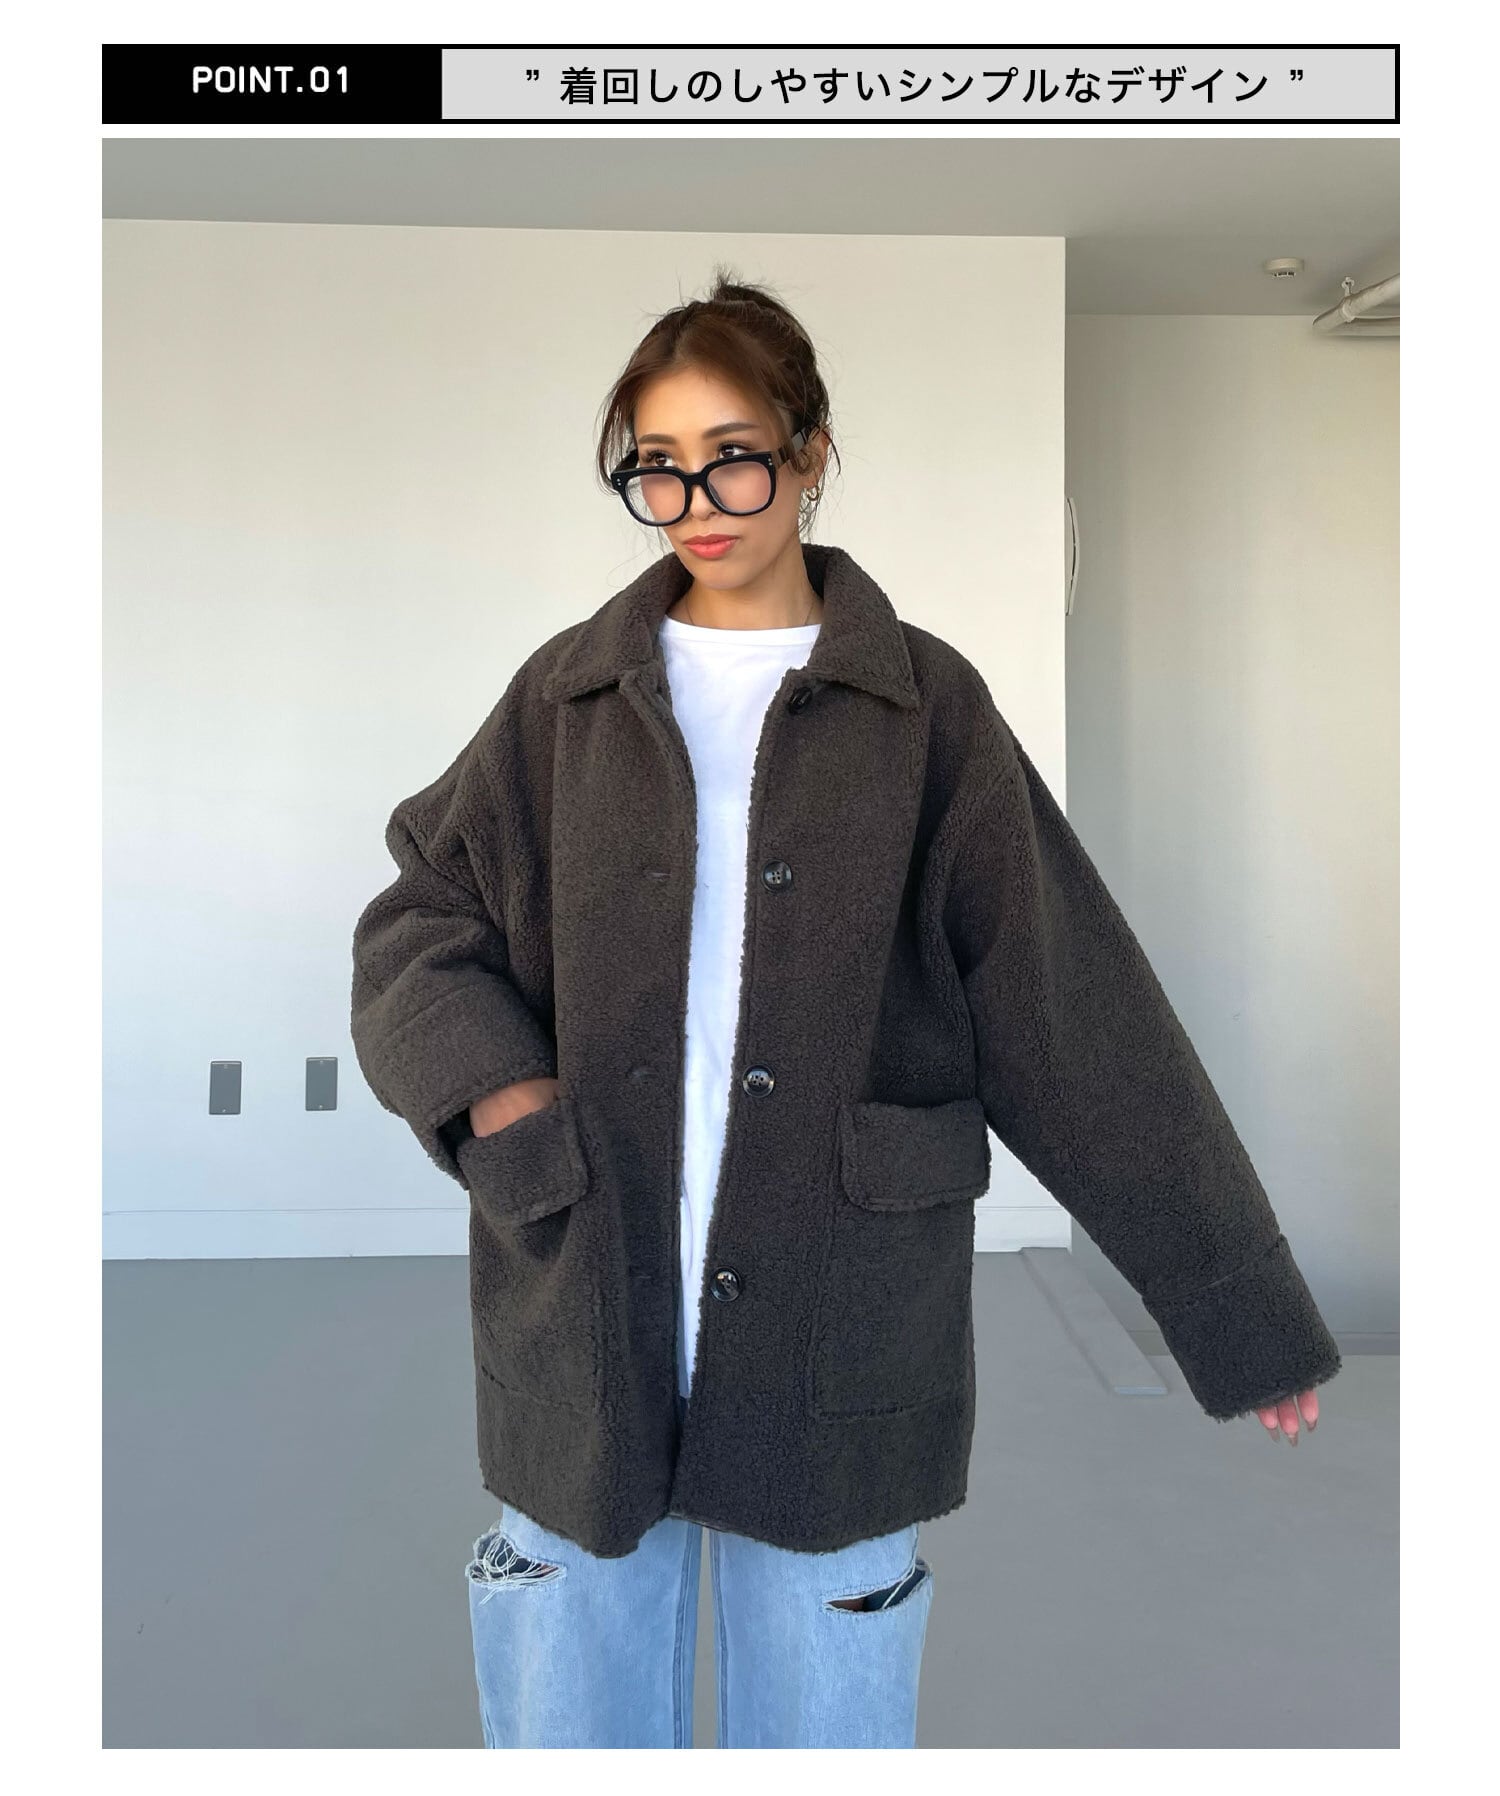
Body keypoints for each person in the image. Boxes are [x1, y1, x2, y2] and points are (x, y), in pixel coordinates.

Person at [350, 268, 1341, 1749]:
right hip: (589, 1275)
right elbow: (420, 914)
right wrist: (502, 1092)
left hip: (840, 1313)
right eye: (657, 465)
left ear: (811, 452)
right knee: (571, 1708)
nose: (697, 501)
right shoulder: (566, 696)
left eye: (734, 454)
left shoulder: (924, 710)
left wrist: (1236, 1305)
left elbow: (1071, 1009)